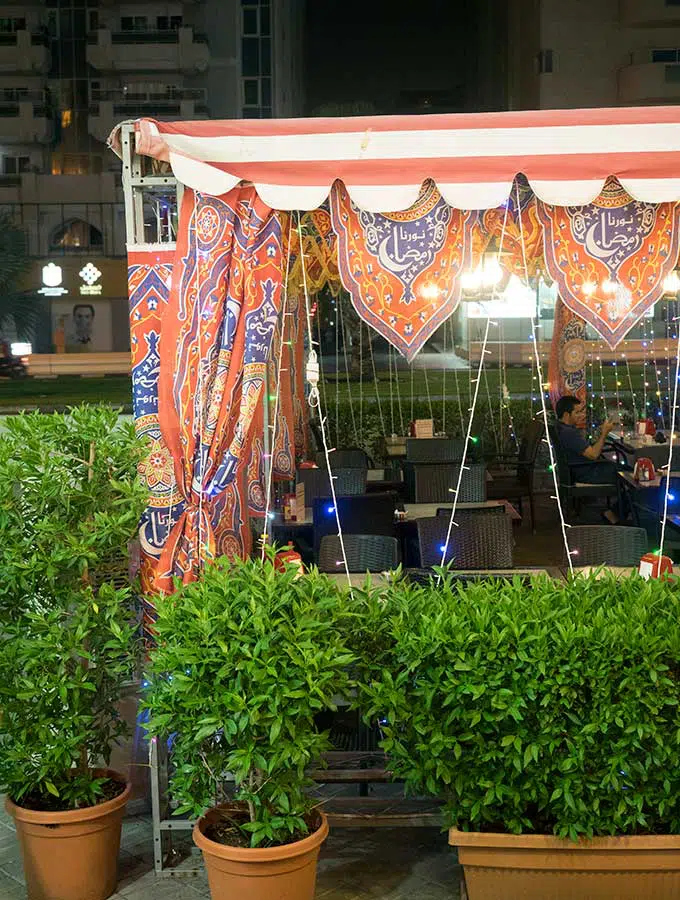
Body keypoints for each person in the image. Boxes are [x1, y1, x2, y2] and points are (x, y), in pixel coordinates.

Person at [555, 395, 626, 522]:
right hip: (587, 473)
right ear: (566, 415)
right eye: (577, 412)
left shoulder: (561, 429)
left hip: (580, 469)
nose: (581, 415)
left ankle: (615, 511)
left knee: (626, 472)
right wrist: (604, 433)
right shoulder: (569, 433)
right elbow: (593, 455)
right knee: (628, 478)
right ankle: (614, 513)